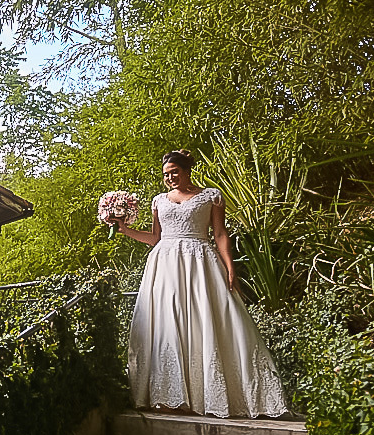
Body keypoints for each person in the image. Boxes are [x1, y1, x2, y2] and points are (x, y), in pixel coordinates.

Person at [114, 150, 287, 418]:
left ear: (187, 171)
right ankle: (169, 396)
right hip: (165, 265)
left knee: (204, 319)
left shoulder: (211, 196)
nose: (170, 178)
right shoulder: (158, 201)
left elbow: (220, 233)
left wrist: (230, 267)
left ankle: (212, 395)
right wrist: (125, 230)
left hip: (200, 262)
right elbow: (156, 238)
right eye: (166, 174)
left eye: (174, 172)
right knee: (169, 323)